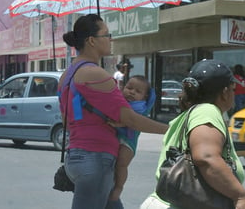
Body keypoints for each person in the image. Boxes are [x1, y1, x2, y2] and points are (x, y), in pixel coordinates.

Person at [58, 14, 168, 209]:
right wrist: (171, 129)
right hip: (96, 159)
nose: (111, 39)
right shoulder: (96, 75)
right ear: (92, 40)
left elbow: (67, 117)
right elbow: (130, 119)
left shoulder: (66, 76)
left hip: (75, 158)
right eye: (107, 35)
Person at [140, 59, 245, 209]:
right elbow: (206, 157)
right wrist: (240, 197)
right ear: (225, 92)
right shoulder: (207, 111)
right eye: (233, 89)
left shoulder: (192, 113)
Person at [109, 75, 155, 204]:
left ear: (144, 97)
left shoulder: (140, 106)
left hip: (128, 142)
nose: (132, 92)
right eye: (129, 88)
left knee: (122, 164)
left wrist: (120, 124)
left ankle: (119, 187)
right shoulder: (120, 100)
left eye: (138, 91)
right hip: (117, 139)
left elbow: (132, 120)